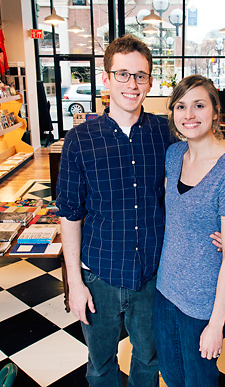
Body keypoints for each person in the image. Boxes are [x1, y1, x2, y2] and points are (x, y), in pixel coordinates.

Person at [56, 34, 171, 387]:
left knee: (148, 359)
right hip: (99, 275)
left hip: (152, 274)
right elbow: (69, 213)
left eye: (140, 75)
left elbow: (189, 188)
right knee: (101, 363)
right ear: (106, 79)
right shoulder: (80, 139)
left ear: (150, 82)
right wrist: (74, 283)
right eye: (122, 74)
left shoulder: (165, 133)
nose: (131, 84)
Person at [154, 75, 225, 386]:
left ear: (215, 111)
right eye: (181, 106)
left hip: (202, 302)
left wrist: (215, 324)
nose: (189, 115)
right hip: (165, 289)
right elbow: (177, 216)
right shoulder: (172, 156)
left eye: (199, 105)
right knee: (171, 373)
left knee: (199, 380)